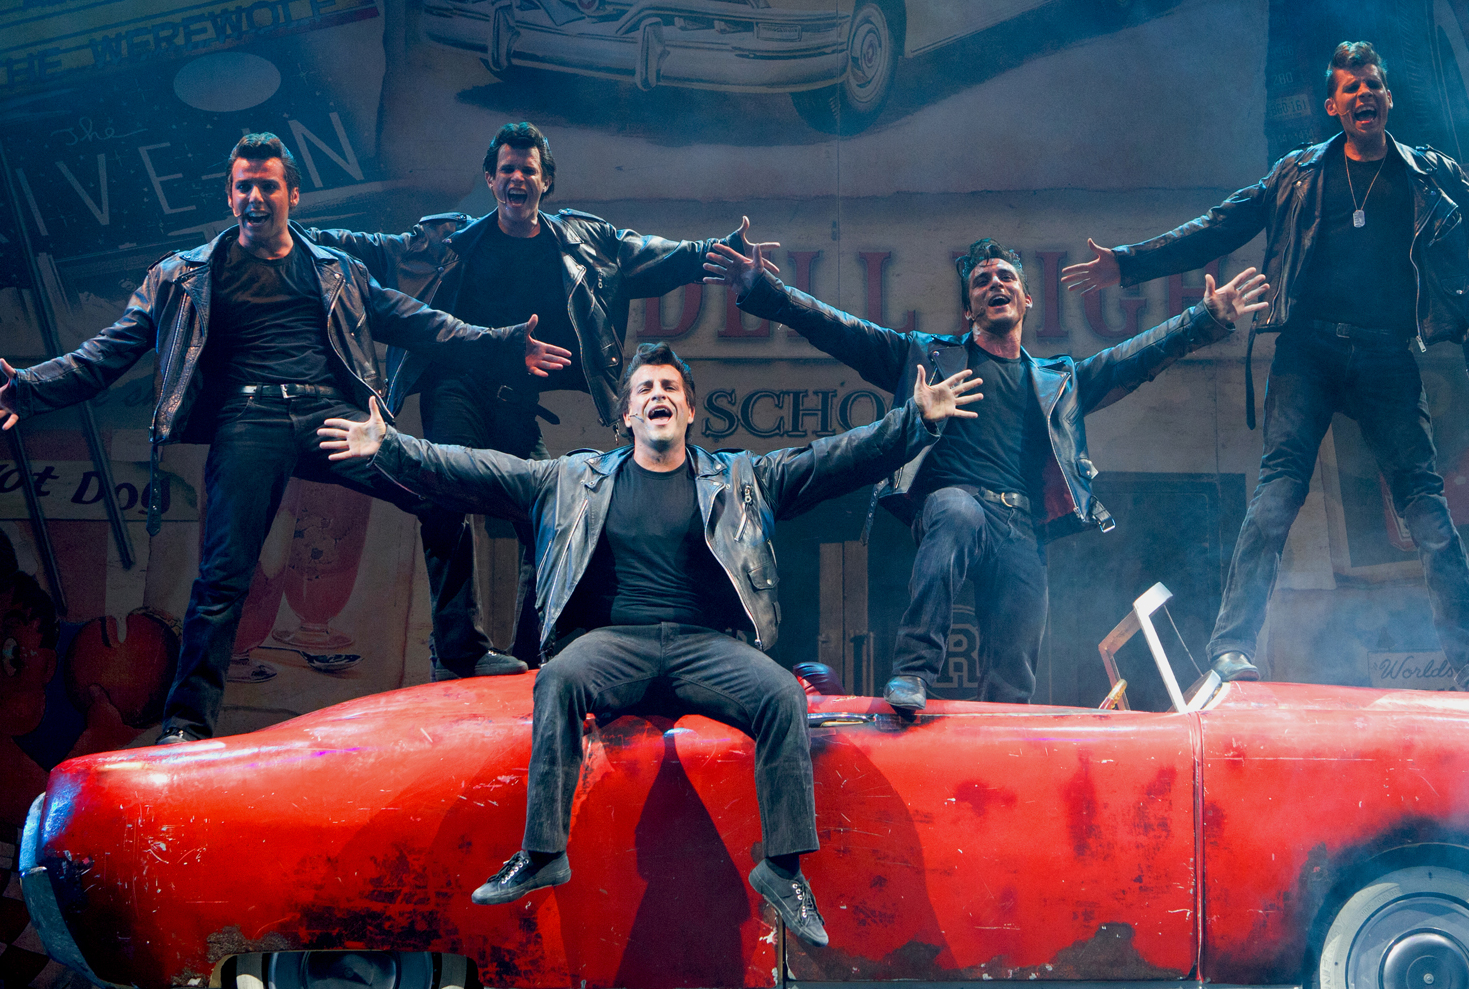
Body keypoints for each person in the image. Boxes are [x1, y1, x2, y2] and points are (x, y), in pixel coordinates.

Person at [318, 343, 984, 945]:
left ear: (689, 410)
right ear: (628, 415)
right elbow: (474, 471)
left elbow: (833, 459)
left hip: (704, 645)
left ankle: (783, 869)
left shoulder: (741, 478)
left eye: (670, 387)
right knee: (558, 678)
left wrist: (914, 423)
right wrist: (391, 448)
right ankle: (543, 852)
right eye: (645, 388)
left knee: (783, 694)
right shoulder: (570, 480)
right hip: (616, 643)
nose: (657, 395)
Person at [1062, 40, 1469, 694]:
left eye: (1373, 85)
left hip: (1386, 353)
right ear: (1333, 107)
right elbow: (1218, 226)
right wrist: (1128, 264)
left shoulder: (1428, 174)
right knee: (1278, 493)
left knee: (1426, 506)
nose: (1363, 95)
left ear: (1388, 99)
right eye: (1350, 88)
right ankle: (1232, 647)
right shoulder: (1298, 174)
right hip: (1307, 350)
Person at [0, 132, 570, 741]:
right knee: (223, 574)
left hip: (330, 416)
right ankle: (187, 725)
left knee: (440, 495)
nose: (255, 197)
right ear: (230, 198)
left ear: (293, 196)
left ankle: (461, 652)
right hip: (248, 419)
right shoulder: (184, 276)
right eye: (244, 187)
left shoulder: (336, 269)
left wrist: (502, 344)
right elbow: (110, 349)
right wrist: (32, 388)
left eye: (268, 186)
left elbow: (421, 323)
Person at [706, 234, 1266, 713]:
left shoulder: (1058, 379)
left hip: (1020, 525)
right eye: (981, 281)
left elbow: (1131, 360)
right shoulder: (927, 357)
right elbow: (839, 329)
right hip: (955, 501)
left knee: (1018, 657)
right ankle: (913, 672)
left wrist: (1201, 321)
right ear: (969, 309)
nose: (994, 284)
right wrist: (764, 290)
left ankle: (1002, 735)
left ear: (1026, 299)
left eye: (1005, 278)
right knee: (957, 513)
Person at [309, 120, 764, 680]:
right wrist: (295, 235)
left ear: (545, 181)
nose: (517, 179)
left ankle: (533, 646)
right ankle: (457, 649)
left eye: (528, 170)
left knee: (550, 508)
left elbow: (651, 255)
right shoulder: (452, 241)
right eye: (507, 170)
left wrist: (717, 251)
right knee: (446, 498)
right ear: (491, 180)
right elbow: (376, 250)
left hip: (516, 400)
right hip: (457, 387)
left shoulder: (581, 242)